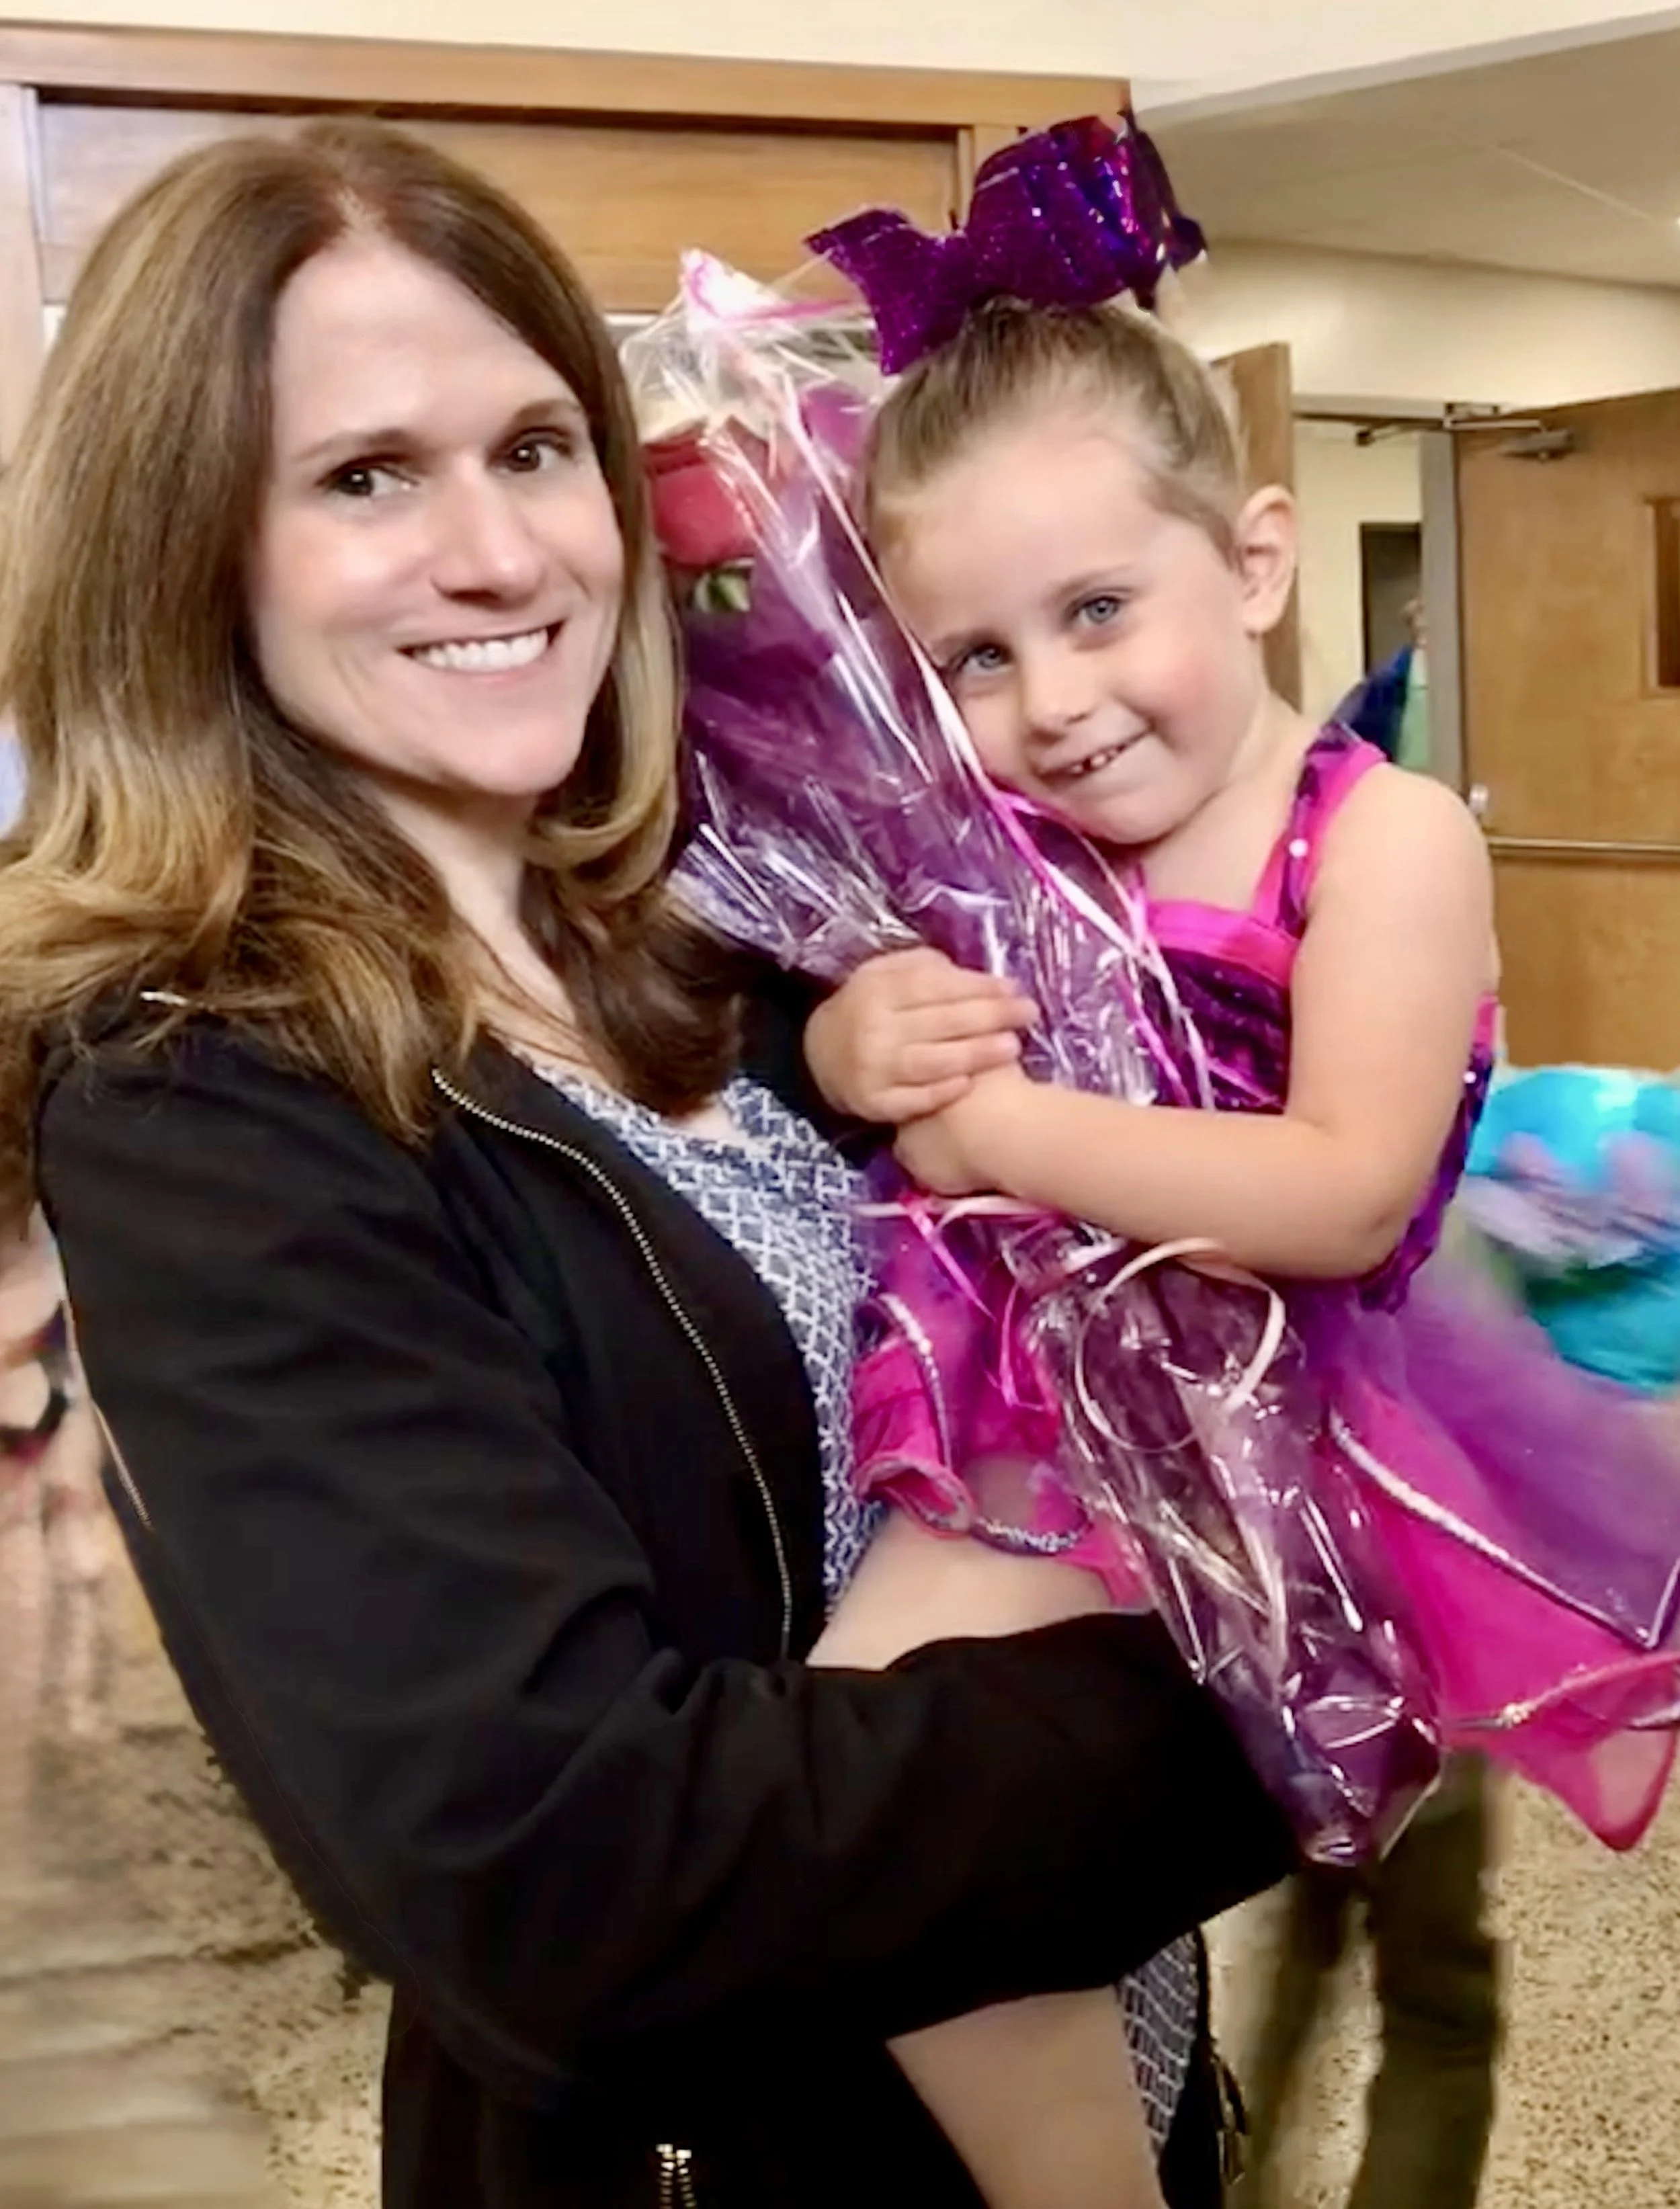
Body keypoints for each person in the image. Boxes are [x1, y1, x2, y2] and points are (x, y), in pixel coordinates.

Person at [0, 120, 1297, 2209]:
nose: (504, 555)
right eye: (364, 478)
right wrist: (1283, 1705)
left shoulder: (715, 935)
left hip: (1089, 2048)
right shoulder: (205, 1101)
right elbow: (567, 1875)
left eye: (535, 449)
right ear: (186, 552)